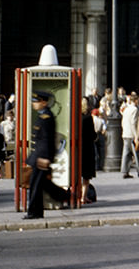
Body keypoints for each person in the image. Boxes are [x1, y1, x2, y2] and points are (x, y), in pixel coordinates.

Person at [23, 90, 70, 219]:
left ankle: (34, 212)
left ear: (43, 102)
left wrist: (45, 158)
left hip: (42, 157)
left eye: (36, 102)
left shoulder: (47, 117)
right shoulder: (42, 116)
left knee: (36, 185)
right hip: (39, 156)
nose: (34, 104)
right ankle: (65, 196)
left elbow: (47, 139)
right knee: (42, 184)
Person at [120, 94, 139, 178]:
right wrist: (136, 136)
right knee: (136, 153)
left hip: (125, 133)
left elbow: (123, 121)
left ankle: (125, 171)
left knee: (126, 154)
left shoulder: (126, 109)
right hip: (131, 134)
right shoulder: (135, 109)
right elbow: (133, 123)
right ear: (136, 101)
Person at [79, 99, 97, 204]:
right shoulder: (88, 118)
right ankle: (83, 197)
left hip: (77, 149)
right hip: (88, 149)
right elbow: (93, 134)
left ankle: (75, 195)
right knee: (86, 177)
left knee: (77, 174)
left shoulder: (75, 117)